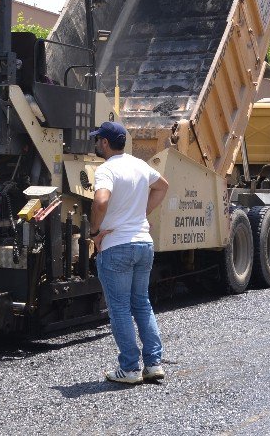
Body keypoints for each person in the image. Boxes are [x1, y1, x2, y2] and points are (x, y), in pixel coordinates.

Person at [88, 121, 170, 384]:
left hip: (117, 246)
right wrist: (141, 213)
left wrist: (94, 232)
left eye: (98, 139)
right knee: (142, 303)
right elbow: (163, 186)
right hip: (143, 244)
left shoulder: (106, 170)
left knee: (121, 308)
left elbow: (101, 201)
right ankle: (154, 364)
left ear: (105, 143)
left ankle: (130, 368)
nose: (97, 143)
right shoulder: (140, 165)